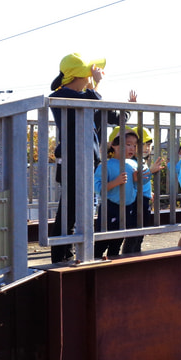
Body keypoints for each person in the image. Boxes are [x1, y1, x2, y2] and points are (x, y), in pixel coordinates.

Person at [48, 53, 120, 263]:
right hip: (74, 160)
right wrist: (96, 84)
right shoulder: (63, 95)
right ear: (79, 75)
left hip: (82, 159)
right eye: (87, 73)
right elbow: (93, 102)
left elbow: (94, 104)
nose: (91, 76)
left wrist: (92, 86)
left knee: (76, 208)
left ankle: (67, 252)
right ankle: (61, 255)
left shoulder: (73, 94)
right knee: (70, 208)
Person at [94, 126, 141, 259]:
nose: (132, 148)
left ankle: (113, 265)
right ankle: (94, 264)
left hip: (128, 208)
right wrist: (116, 182)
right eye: (128, 144)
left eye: (134, 145)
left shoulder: (133, 164)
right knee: (102, 242)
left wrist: (137, 181)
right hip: (111, 207)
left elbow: (135, 187)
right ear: (114, 145)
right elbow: (97, 187)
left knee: (117, 242)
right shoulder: (106, 165)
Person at [123, 126, 166, 253]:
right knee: (134, 235)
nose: (147, 148)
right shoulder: (130, 161)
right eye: (143, 144)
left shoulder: (140, 160)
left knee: (140, 234)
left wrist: (148, 192)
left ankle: (135, 256)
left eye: (149, 144)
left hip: (143, 199)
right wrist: (150, 171)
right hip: (136, 201)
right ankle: (129, 258)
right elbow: (134, 180)